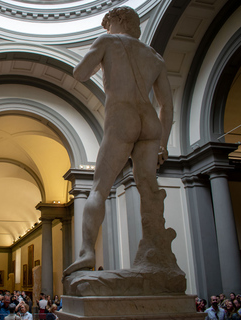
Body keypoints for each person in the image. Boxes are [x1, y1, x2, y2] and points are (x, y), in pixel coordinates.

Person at [63, 5, 176, 277]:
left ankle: (87, 252)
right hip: (149, 123)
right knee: (148, 186)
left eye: (107, 23)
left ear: (116, 20)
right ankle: (155, 249)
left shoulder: (107, 41)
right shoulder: (154, 56)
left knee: (100, 188)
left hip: (122, 117)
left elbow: (80, 73)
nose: (105, 28)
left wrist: (99, 55)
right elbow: (167, 107)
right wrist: (164, 142)